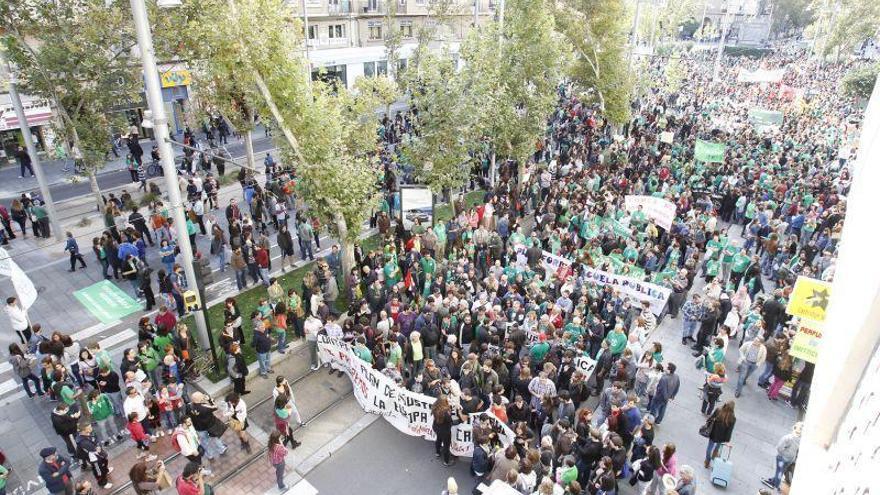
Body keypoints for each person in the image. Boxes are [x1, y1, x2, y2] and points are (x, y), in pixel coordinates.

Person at [763, 422, 802, 490]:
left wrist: (782, 454)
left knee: (779, 472)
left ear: (794, 428)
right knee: (781, 471)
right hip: (791, 459)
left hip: (782, 458)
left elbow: (779, 448)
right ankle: (773, 481)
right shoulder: (800, 440)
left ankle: (775, 486)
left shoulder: (788, 437)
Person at [704, 400, 736, 468]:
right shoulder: (732, 418)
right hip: (721, 437)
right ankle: (714, 456)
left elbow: (710, 418)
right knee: (717, 447)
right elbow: (729, 431)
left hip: (713, 433)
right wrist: (727, 440)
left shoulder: (718, 410)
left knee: (709, 447)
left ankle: (707, 461)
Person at [432, 395, 454, 466]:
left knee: (438, 439)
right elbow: (450, 421)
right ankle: (446, 461)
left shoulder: (435, 407)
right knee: (446, 446)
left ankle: (437, 453)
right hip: (445, 431)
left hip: (436, 427)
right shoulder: (445, 412)